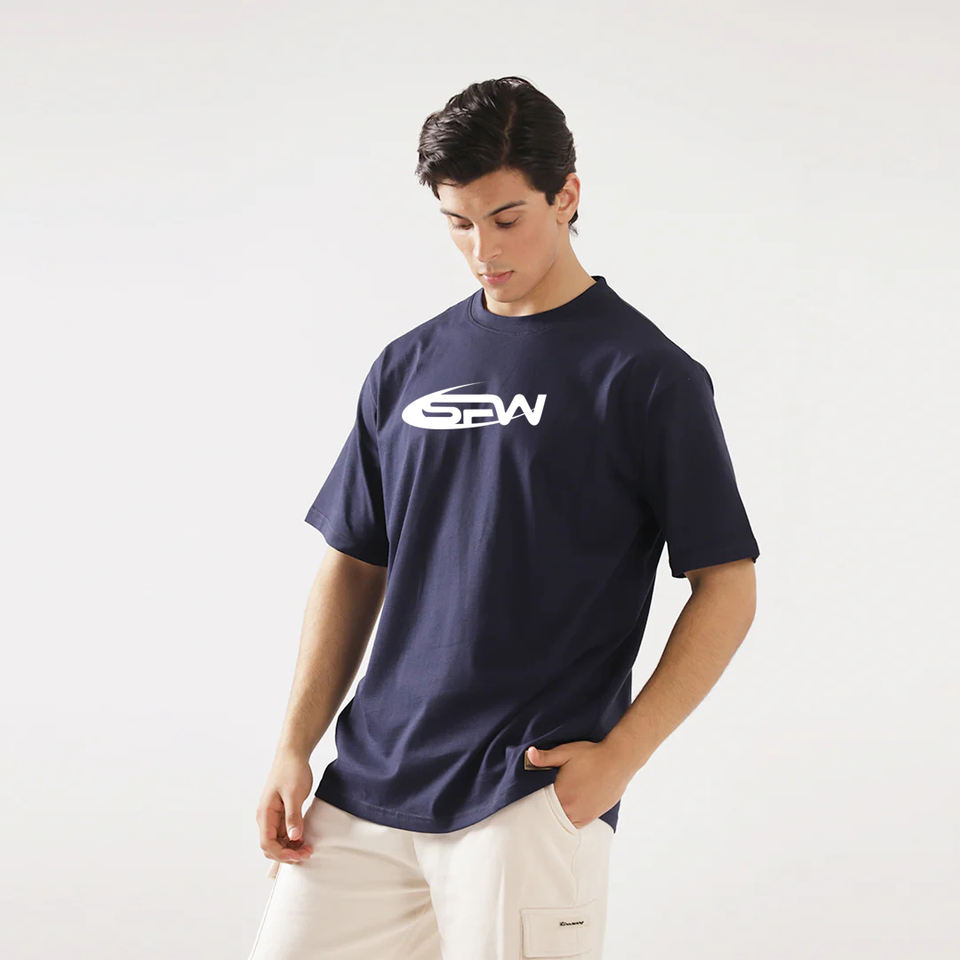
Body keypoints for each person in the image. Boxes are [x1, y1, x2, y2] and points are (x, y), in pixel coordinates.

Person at [247, 76, 759, 960]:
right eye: (457, 223)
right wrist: (295, 743)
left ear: (567, 196)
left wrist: (622, 756)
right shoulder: (408, 366)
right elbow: (354, 562)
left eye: (506, 218)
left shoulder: (645, 376)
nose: (482, 249)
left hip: (524, 794)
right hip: (367, 785)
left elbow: (728, 584)